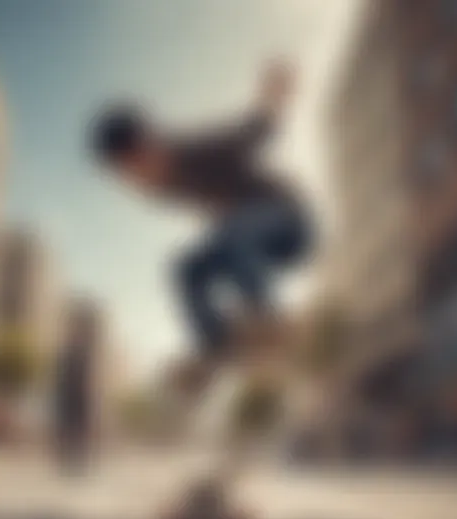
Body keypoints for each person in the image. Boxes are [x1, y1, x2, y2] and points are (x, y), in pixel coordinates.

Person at [90, 61, 314, 393]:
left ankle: (269, 322)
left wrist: (274, 94)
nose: (136, 181)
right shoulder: (159, 189)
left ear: (150, 145)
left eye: (135, 167)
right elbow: (208, 204)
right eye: (126, 178)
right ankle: (215, 345)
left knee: (234, 229)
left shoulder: (194, 149)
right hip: (250, 243)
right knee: (184, 269)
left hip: (289, 221)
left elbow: (254, 132)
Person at [53, 302, 98, 474]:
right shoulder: (67, 351)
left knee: (78, 430)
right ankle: (66, 462)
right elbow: (61, 376)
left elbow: (87, 378)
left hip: (79, 397)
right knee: (66, 428)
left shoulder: (84, 352)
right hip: (67, 396)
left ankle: (77, 463)